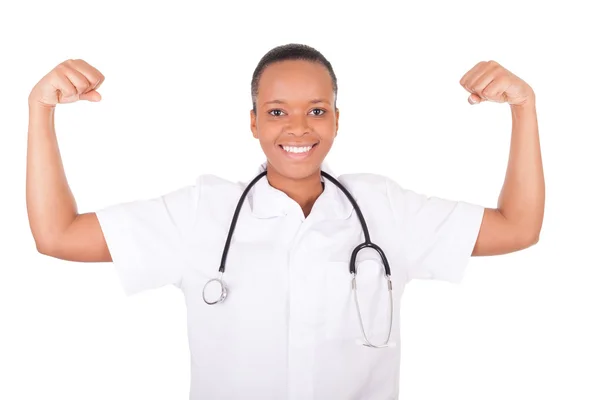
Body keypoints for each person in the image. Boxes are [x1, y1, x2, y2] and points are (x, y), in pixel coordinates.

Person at [26, 43, 545, 399]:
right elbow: (58, 235)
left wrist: (525, 108)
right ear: (252, 122)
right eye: (276, 112)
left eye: (317, 110)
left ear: (338, 119)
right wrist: (39, 111)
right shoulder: (202, 213)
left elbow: (518, 227)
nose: (298, 126)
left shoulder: (385, 209)